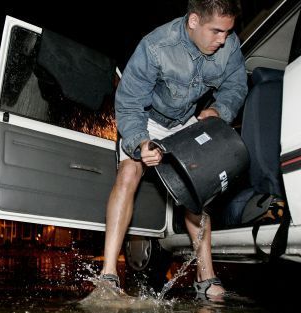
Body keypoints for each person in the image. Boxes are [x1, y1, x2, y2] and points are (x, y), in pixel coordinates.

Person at [99, 0, 247, 299]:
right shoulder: (155, 46)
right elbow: (128, 104)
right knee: (129, 172)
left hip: (187, 121)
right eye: (216, 31)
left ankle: (207, 277)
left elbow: (236, 84)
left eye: (227, 32)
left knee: (198, 189)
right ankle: (109, 275)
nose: (223, 39)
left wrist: (220, 111)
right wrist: (140, 143)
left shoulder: (229, 44)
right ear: (193, 21)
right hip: (147, 120)